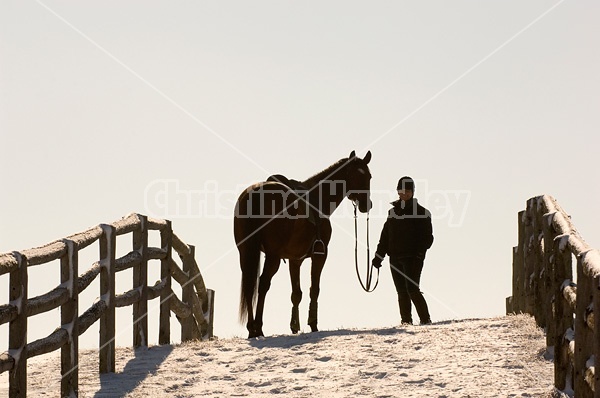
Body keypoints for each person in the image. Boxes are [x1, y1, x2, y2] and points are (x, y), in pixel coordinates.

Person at [372, 176, 433, 325]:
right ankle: (406, 321)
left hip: (412, 258)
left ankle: (425, 320)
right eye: (400, 191)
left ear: (412, 192)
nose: (403, 194)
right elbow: (385, 237)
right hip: (395, 258)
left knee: (412, 289)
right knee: (401, 292)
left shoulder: (422, 213)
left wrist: (419, 256)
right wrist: (378, 257)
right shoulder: (392, 213)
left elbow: (427, 238)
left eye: (406, 191)